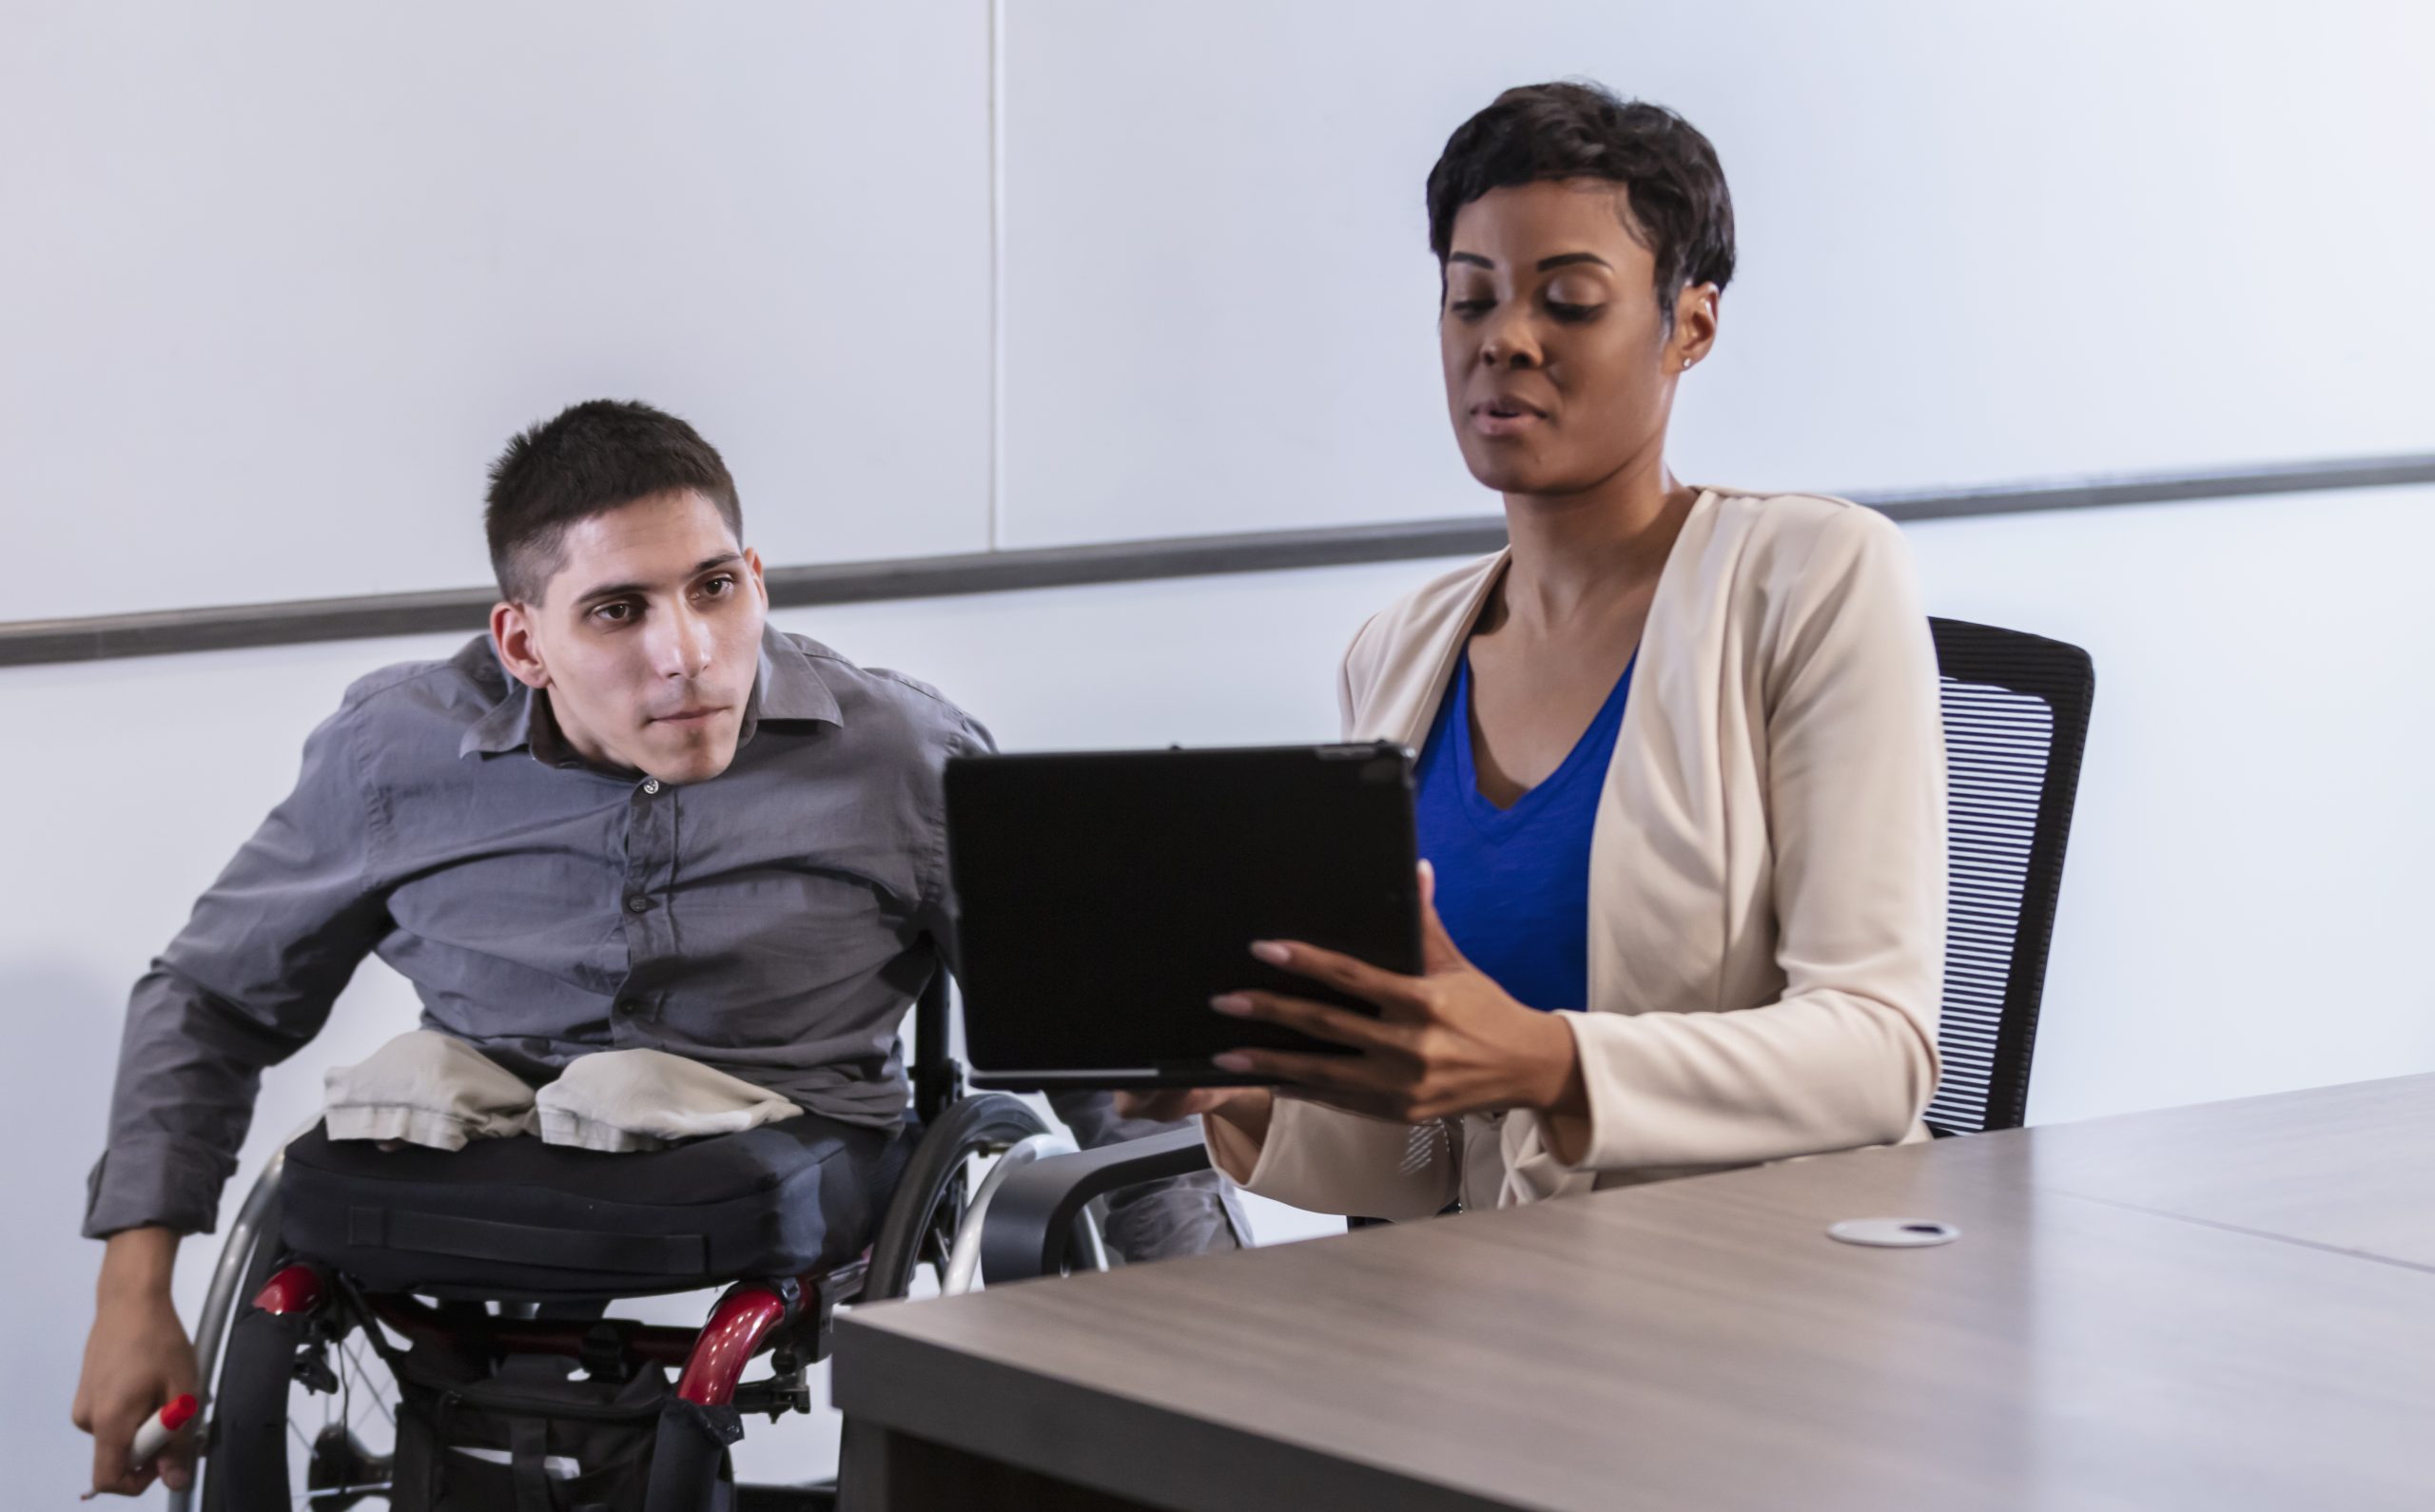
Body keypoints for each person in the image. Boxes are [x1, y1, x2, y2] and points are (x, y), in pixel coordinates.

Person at [71, 399, 1241, 1498]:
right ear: (522, 643)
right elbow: (214, 994)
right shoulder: (395, 753)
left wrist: (1205, 1344)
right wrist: (133, 1295)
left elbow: (1095, 1045)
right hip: (491, 1123)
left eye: (716, 589)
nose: (686, 652)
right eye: (619, 610)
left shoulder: (896, 755)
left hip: (788, 1129)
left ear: (756, 580)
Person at [1126, 83, 1948, 1218]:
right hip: (1470, 1306)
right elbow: (1424, 1160)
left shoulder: (1810, 576)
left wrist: (1544, 1062)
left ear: (1689, 327)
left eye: (1567, 302)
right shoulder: (1398, 653)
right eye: (1471, 301)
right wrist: (1234, 1089)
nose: (1505, 339)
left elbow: (1879, 1052)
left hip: (1746, 1299)